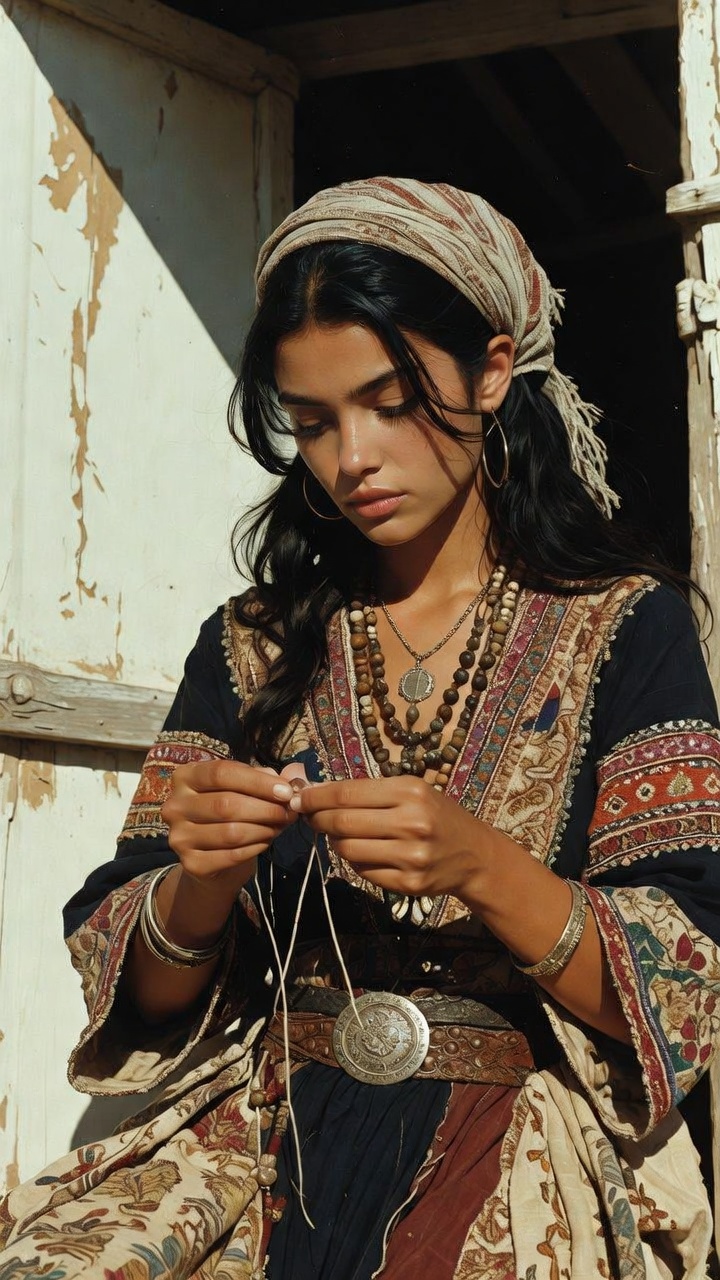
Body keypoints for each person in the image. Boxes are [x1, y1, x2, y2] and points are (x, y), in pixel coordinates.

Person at [1, 176, 720, 1280]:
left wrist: (482, 863)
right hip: (263, 1149)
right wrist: (199, 880)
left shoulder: (625, 627)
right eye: (313, 422)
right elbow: (133, 980)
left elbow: (689, 976)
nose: (352, 460)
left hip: (517, 1153)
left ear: (492, 370)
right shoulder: (251, 645)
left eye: (391, 403)